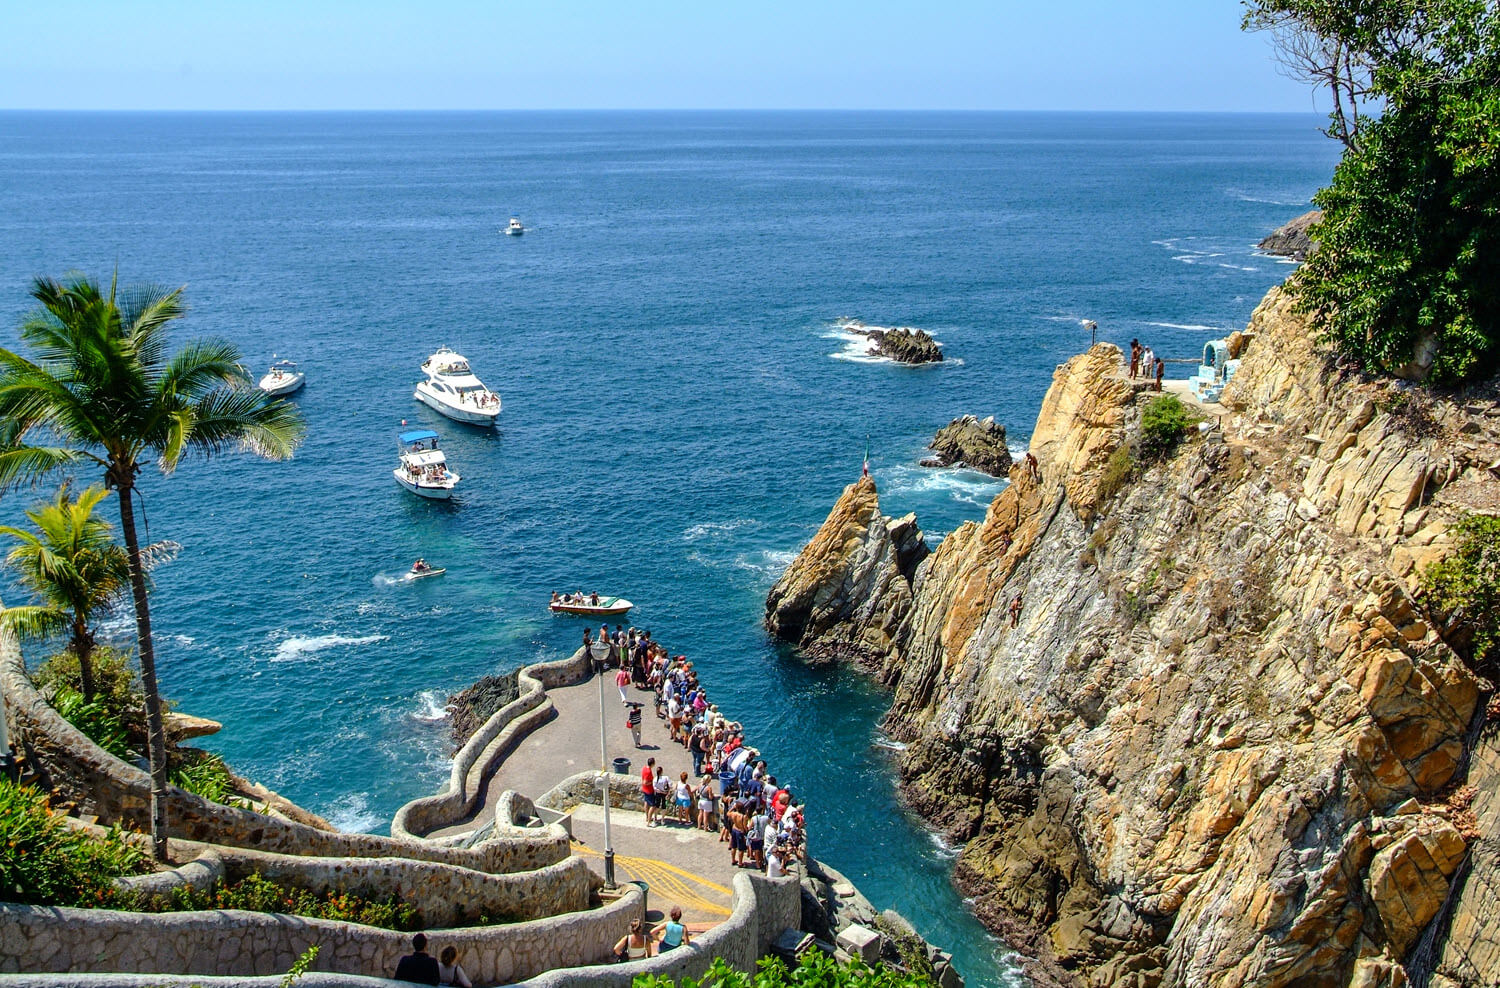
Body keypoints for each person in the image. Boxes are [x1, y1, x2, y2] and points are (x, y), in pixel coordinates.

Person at [641, 757, 657, 826]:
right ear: (652, 764)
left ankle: (647, 817)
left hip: (644, 789)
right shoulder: (648, 771)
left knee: (646, 802)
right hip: (649, 790)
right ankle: (649, 820)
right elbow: (645, 782)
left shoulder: (644, 768)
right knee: (653, 805)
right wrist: (652, 781)